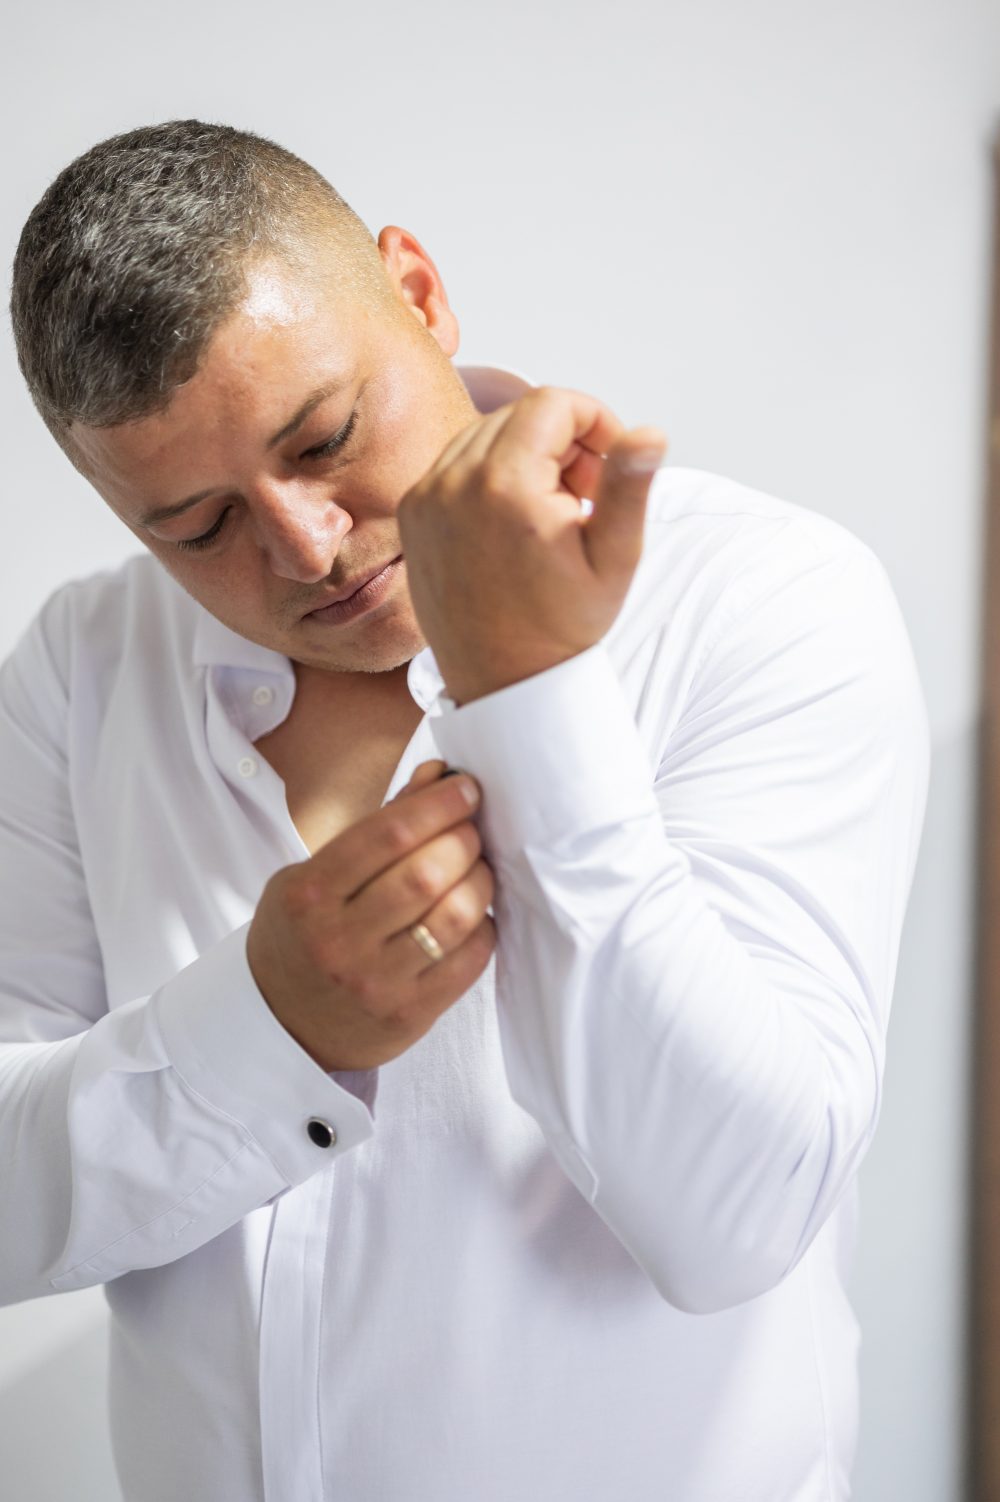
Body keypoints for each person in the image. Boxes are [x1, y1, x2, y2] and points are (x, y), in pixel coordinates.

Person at [2, 119, 930, 1502]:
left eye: (325, 437)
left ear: (420, 293)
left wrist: (529, 690)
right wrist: (264, 1032)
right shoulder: (81, 669)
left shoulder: (767, 597)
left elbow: (737, 1218)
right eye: (197, 526)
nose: (305, 547)